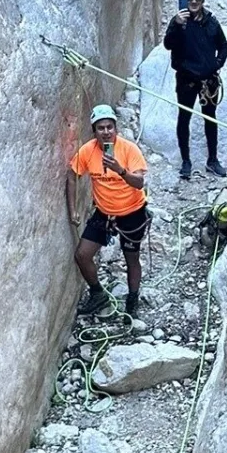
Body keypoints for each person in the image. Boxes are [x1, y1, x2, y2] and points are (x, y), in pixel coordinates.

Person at [67, 105, 148, 317]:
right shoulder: (87, 151)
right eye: (100, 128)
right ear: (94, 131)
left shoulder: (129, 150)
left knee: (131, 258)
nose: (106, 132)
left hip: (132, 213)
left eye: (109, 127)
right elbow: (72, 176)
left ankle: (132, 299)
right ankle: (98, 293)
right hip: (105, 213)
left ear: (115, 128)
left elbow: (139, 182)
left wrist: (120, 170)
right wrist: (73, 209)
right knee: (82, 255)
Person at [163, 0, 227, 180]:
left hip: (208, 80)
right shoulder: (179, 22)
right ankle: (186, 161)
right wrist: (176, 25)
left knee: (210, 118)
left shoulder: (211, 22)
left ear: (202, 0)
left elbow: (224, 46)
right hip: (186, 80)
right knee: (184, 118)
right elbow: (168, 44)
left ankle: (213, 160)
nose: (193, 1)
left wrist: (216, 65)